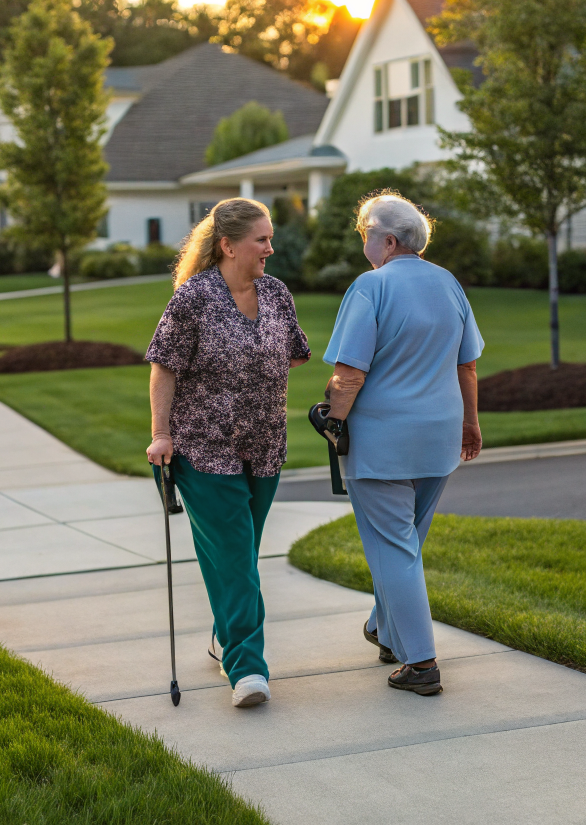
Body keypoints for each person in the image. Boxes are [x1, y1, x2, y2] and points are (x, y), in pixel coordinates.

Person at [145, 198, 311, 708]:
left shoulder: (276, 293)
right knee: (237, 558)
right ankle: (247, 670)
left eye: (270, 237)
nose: (270, 247)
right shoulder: (193, 299)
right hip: (202, 447)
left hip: (263, 446)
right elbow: (164, 367)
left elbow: (295, 353)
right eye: (261, 239)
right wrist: (161, 433)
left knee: (240, 557)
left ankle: (223, 634)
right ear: (228, 245)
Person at [321, 192, 483, 696]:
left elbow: (348, 375)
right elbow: (467, 364)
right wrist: (470, 424)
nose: (363, 242)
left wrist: (332, 421)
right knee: (405, 542)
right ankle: (386, 631)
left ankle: (422, 663)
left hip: (383, 443)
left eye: (365, 233)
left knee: (394, 548)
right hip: (439, 438)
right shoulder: (448, 283)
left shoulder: (371, 287)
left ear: (387, 241)